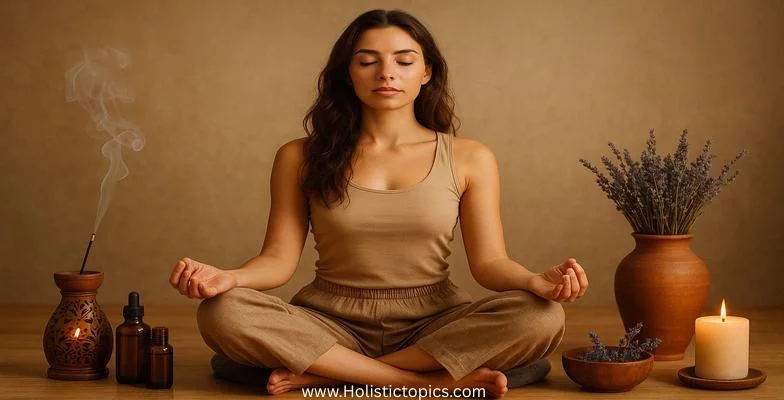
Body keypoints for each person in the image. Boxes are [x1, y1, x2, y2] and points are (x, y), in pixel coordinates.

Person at [168, 9, 588, 398]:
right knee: (223, 311)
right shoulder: (300, 156)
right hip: (329, 322)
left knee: (542, 316)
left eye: (404, 61)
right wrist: (229, 278)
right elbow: (277, 260)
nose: (386, 73)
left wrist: (533, 281)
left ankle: (330, 374)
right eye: (367, 61)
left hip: (433, 323)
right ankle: (421, 383)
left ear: (426, 72)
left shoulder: (470, 157)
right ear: (347, 74)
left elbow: (490, 263)